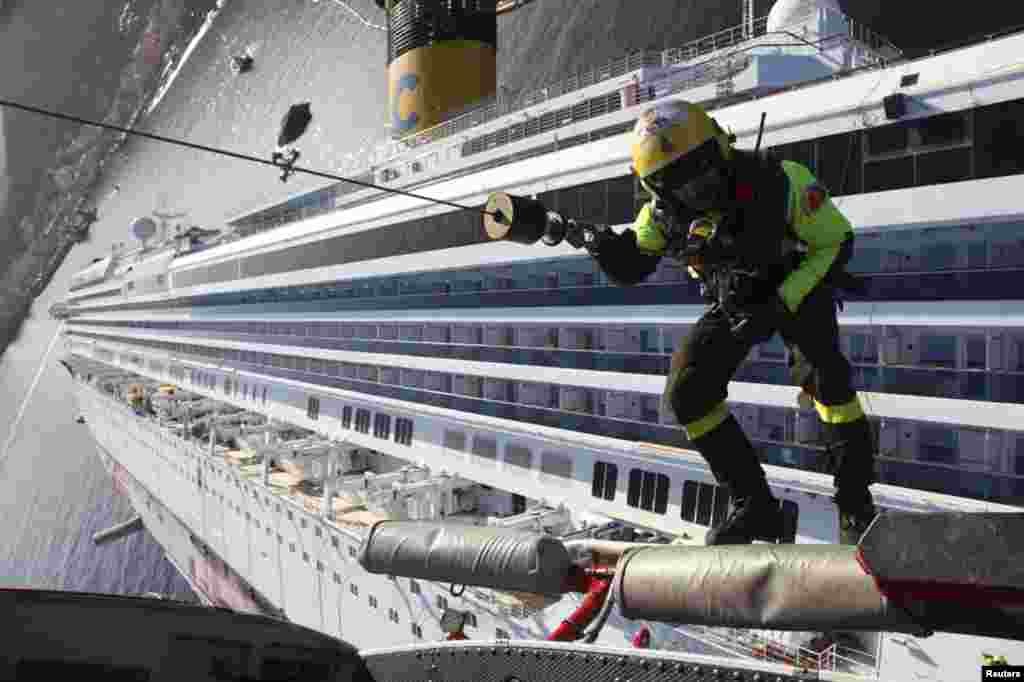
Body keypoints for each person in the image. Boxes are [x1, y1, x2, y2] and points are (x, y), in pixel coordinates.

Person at [578, 100, 877, 545]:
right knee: (687, 394)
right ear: (658, 189)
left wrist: (780, 301)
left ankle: (856, 506)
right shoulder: (659, 216)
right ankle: (754, 506)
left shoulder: (783, 181)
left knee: (825, 381)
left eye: (701, 168)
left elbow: (835, 241)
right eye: (678, 179)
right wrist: (606, 250)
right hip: (735, 297)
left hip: (798, 283)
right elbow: (634, 264)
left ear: (721, 148)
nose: (696, 187)